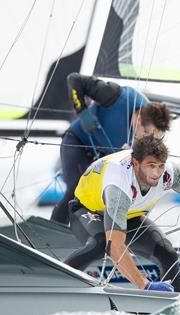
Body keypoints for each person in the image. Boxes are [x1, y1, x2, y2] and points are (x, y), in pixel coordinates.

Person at [65, 136, 180, 293]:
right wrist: (145, 284)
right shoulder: (119, 185)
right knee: (102, 244)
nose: (157, 173)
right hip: (87, 210)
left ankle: (173, 307)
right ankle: (57, 279)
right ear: (136, 163)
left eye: (160, 166)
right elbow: (115, 248)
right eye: (151, 165)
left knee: (167, 253)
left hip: (129, 216)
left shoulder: (170, 173)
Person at [50, 72, 172, 225]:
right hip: (78, 141)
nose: (147, 139)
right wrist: (83, 113)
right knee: (76, 189)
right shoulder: (115, 95)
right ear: (139, 119)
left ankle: (102, 238)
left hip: (102, 156)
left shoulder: (152, 122)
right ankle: (53, 227)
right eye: (146, 133)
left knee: (110, 195)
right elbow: (74, 79)